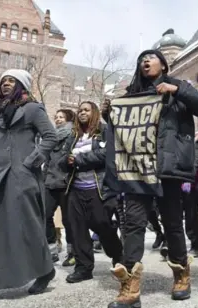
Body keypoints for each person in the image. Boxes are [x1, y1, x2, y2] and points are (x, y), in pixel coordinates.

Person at [107, 49, 198, 308]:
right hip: (137, 168)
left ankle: (181, 274)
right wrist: (111, 113)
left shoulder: (178, 87)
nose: (145, 60)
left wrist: (176, 90)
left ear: (164, 65)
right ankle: (130, 285)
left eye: (151, 57)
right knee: (132, 223)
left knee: (173, 223)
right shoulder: (132, 96)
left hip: (168, 167)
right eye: (141, 58)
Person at [0, 69, 56, 293]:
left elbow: (50, 136)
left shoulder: (32, 108)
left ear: (22, 85)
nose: (6, 84)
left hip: (22, 176)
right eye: (4, 81)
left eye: (12, 80)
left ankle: (45, 270)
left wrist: (32, 161)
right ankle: (5, 269)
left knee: (27, 226)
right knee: (2, 227)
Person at [58, 101, 124, 283]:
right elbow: (61, 159)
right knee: (77, 228)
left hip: (98, 188)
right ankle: (84, 268)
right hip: (75, 189)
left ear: (94, 112)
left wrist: (78, 159)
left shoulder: (104, 131)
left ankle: (118, 254)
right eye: (79, 110)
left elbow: (107, 155)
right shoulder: (73, 135)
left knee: (101, 224)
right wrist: (68, 160)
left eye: (86, 110)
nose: (82, 113)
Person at [44, 109, 76, 266]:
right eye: (55, 117)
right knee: (45, 215)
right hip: (50, 182)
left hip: (66, 183)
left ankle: (72, 252)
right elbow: (47, 161)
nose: (57, 120)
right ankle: (51, 250)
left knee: (68, 219)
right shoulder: (50, 138)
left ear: (69, 119)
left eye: (61, 117)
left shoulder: (73, 135)